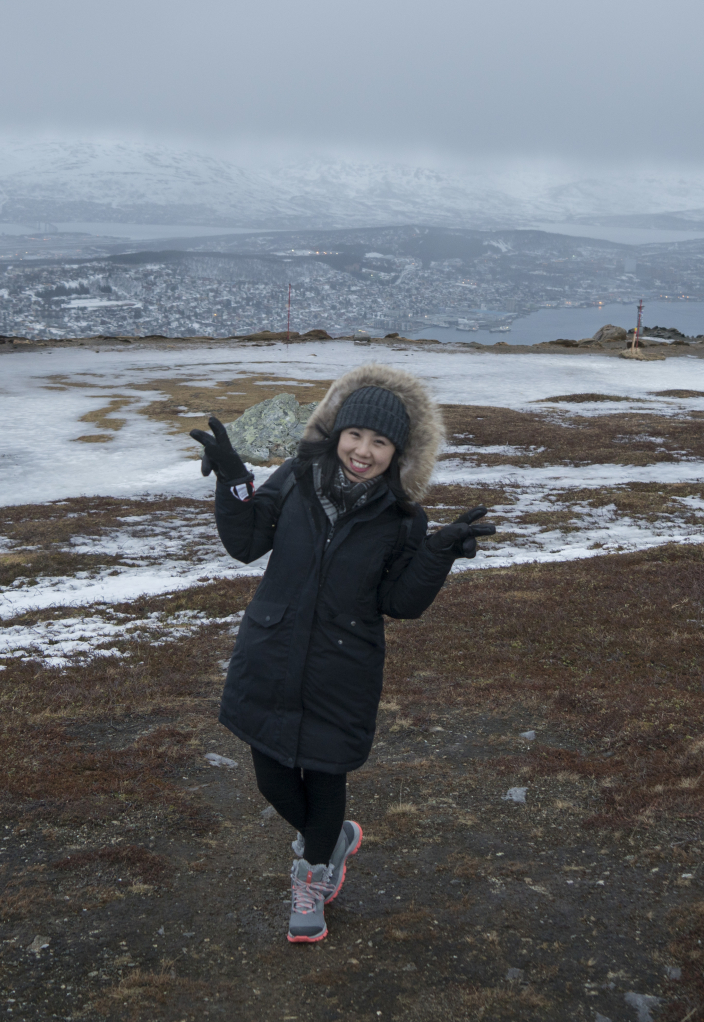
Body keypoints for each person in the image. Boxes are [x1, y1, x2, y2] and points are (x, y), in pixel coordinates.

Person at [189, 363, 495, 943]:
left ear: (397, 452)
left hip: (341, 670)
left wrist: (437, 555)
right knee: (273, 782)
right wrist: (233, 480)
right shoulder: (297, 477)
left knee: (325, 785)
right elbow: (247, 542)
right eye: (356, 435)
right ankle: (333, 841)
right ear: (336, 433)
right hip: (272, 653)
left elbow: (399, 602)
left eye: (380, 442)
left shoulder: (403, 517)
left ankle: (313, 877)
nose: (364, 450)